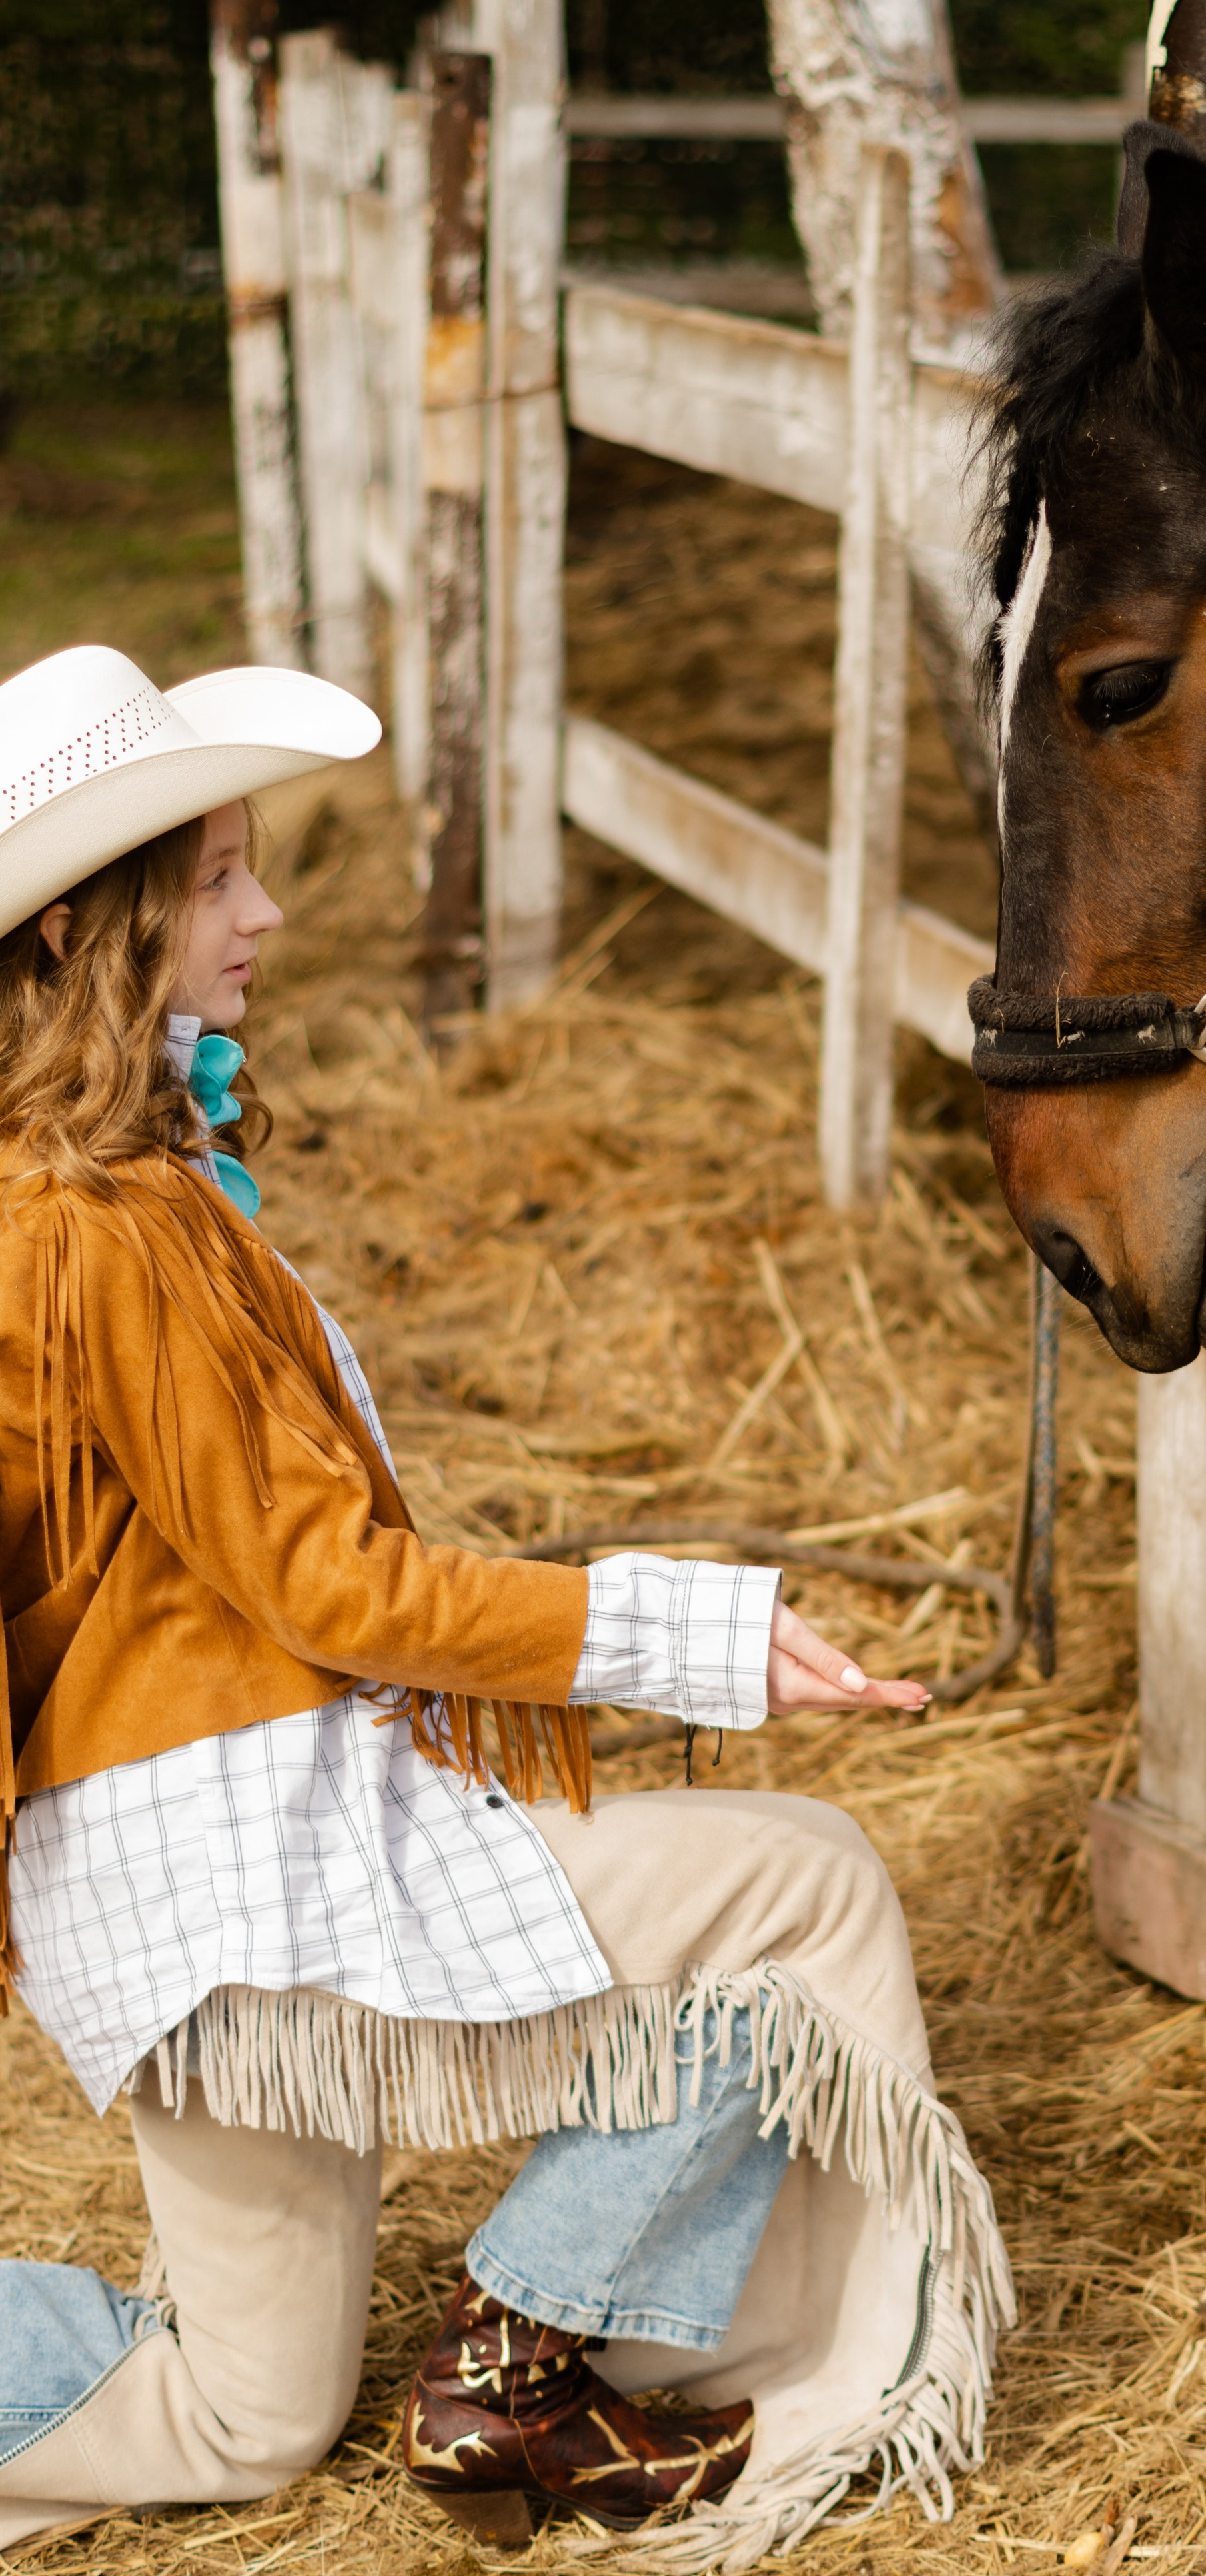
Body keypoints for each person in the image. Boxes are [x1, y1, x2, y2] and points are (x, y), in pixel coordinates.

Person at [0, 647, 1011, 2561]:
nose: (268, 912)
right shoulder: (98, 1227)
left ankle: (520, 2352)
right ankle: (541, 2349)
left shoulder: (97, 1187)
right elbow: (327, 1585)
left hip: (161, 1906)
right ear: (87, 923)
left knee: (247, 2408)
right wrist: (691, 1631)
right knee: (797, 1894)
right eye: (218, 875)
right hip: (243, 1888)